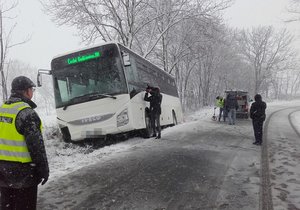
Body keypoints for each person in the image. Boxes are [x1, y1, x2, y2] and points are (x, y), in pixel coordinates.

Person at [0, 76, 49, 210]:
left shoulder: (2, 110)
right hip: (24, 175)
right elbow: (36, 147)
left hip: (3, 174)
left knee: (8, 207)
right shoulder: (27, 114)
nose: (32, 92)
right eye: (31, 89)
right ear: (27, 91)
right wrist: (44, 170)